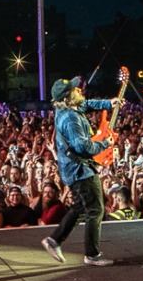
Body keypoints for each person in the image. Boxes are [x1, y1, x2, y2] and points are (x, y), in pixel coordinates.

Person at [41, 75, 123, 266]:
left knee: (81, 205)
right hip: (80, 170)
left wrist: (109, 103)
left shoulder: (69, 107)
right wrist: (106, 143)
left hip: (74, 169)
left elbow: (87, 104)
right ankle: (92, 255)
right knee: (96, 209)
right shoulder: (70, 119)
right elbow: (82, 147)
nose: (79, 90)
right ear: (67, 98)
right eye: (75, 90)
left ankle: (54, 240)